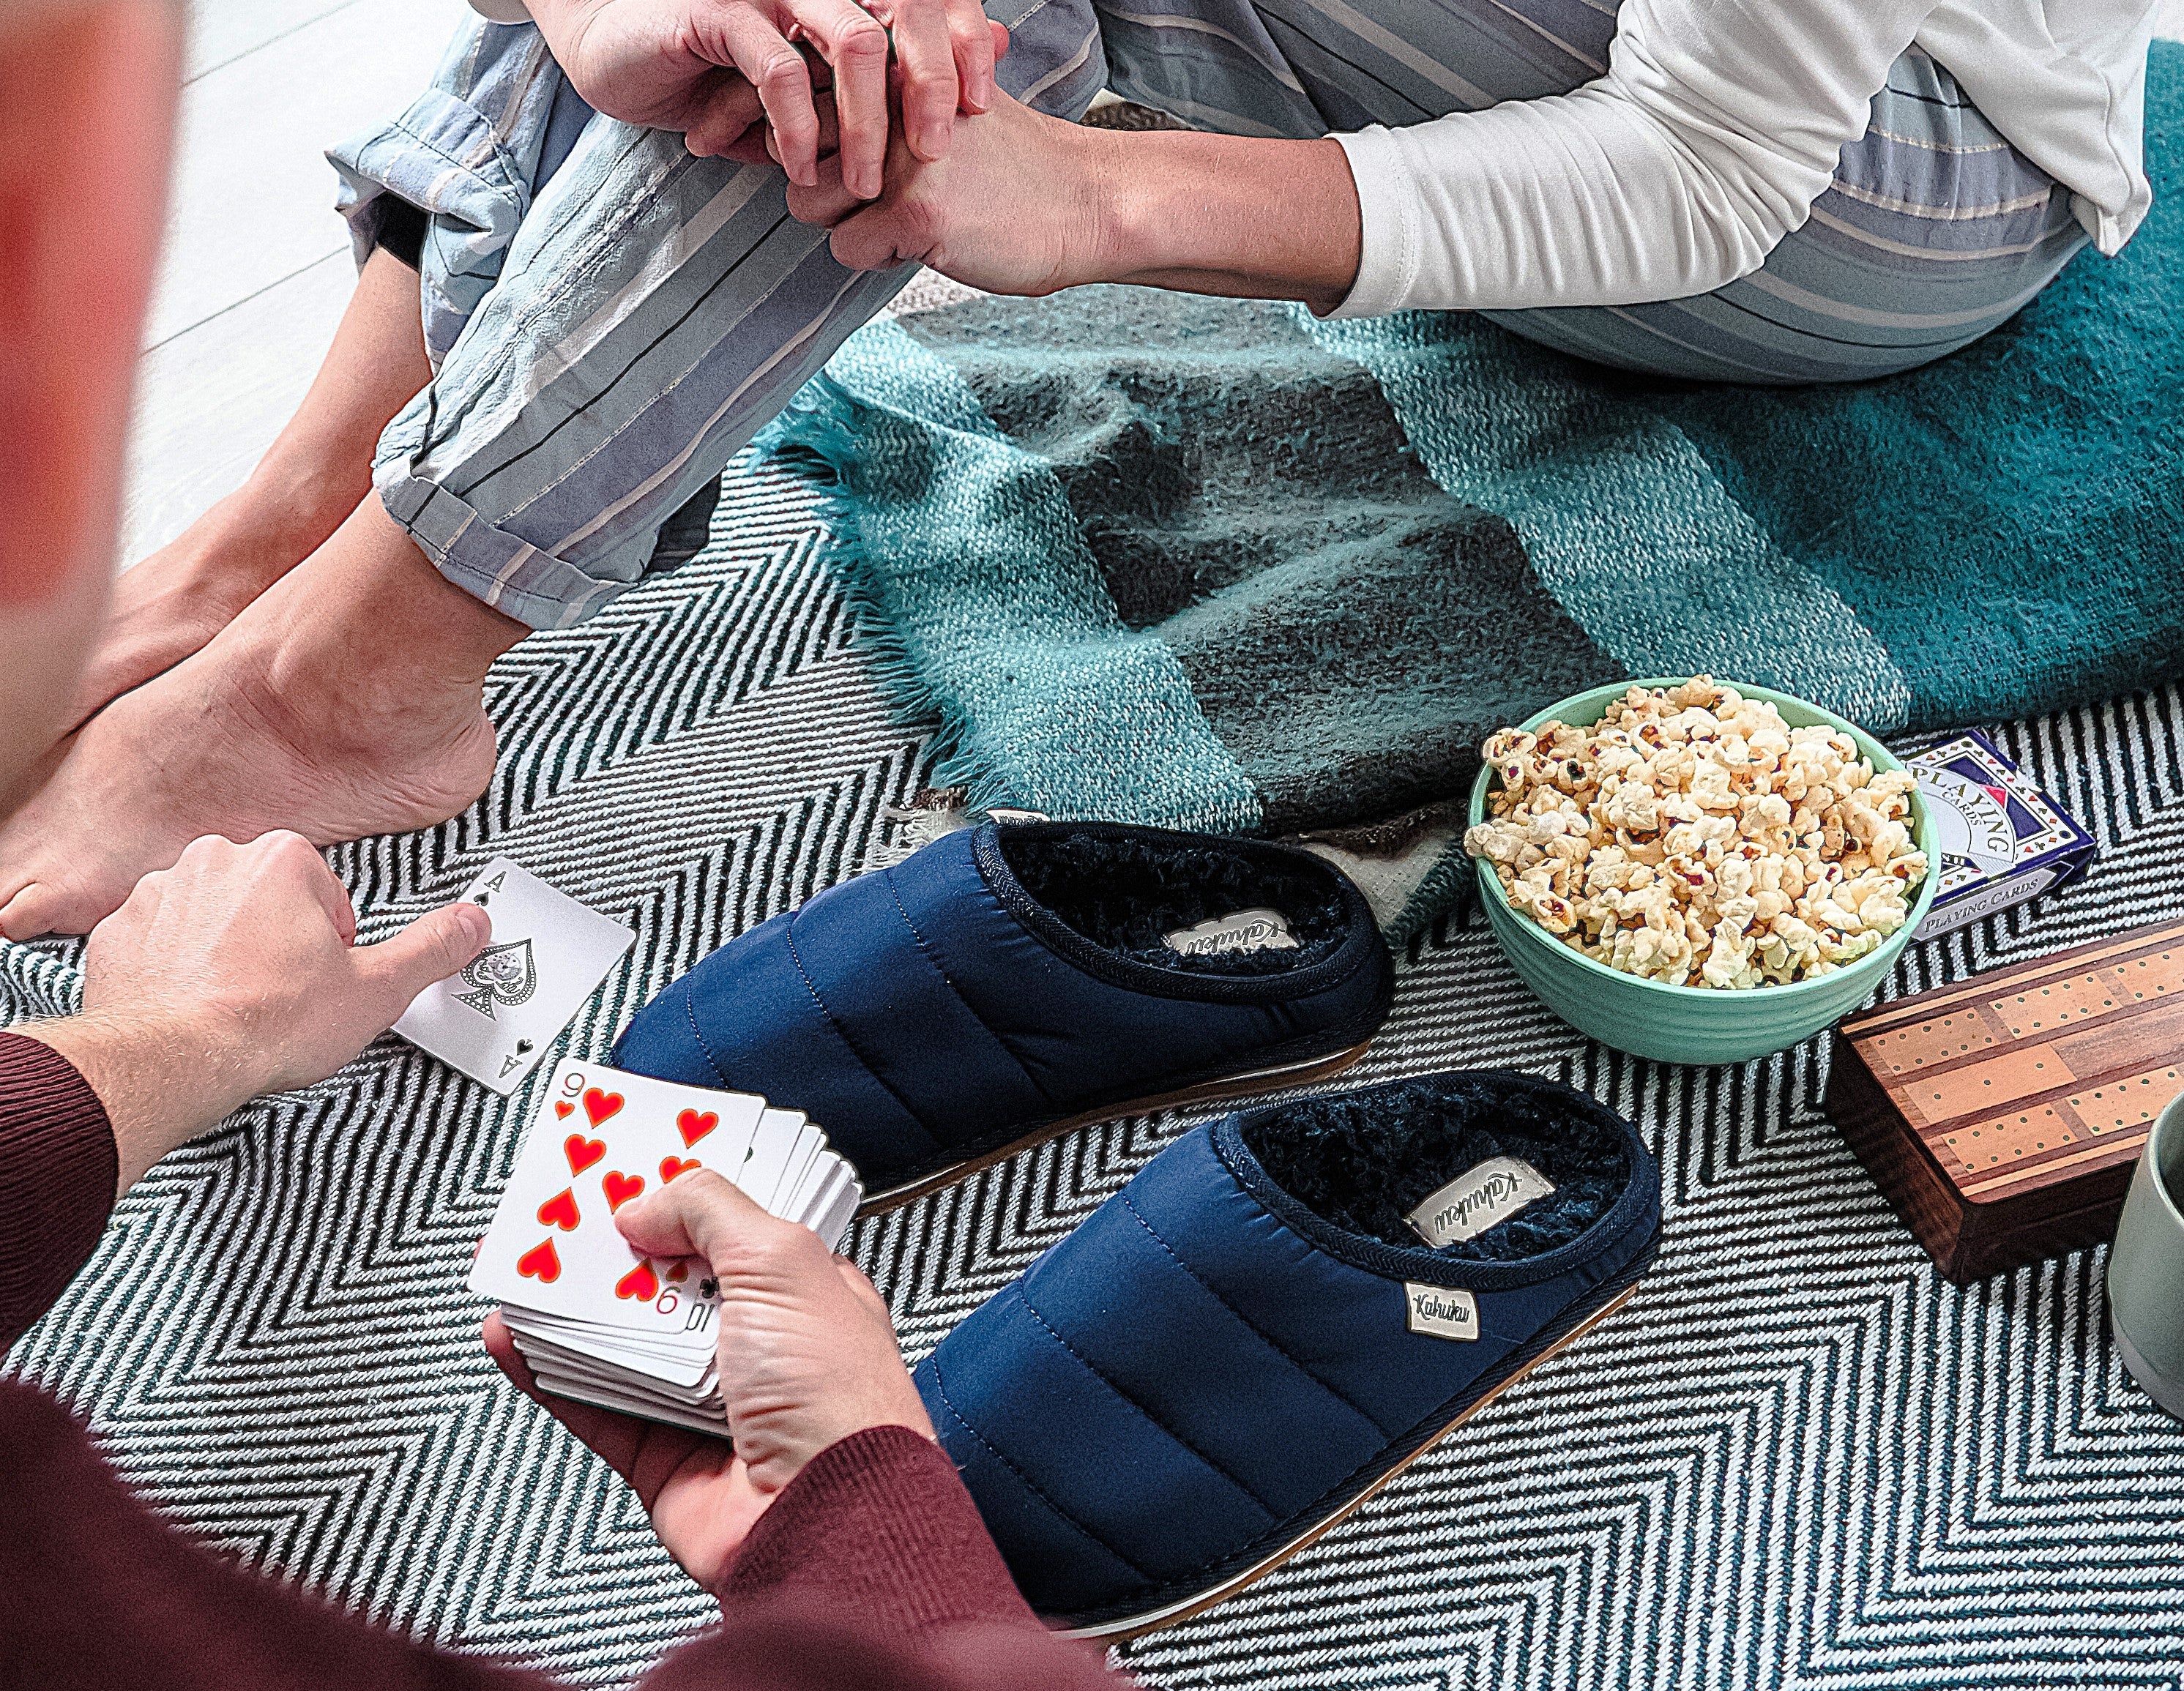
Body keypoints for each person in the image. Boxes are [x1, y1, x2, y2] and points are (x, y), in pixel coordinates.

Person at [0, 1, 2103, 1691]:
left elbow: (1720, 160)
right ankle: (342, 625)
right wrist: (890, 1577)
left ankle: (323, 580)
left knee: (862, 33)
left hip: (1870, 178)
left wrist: (147, 1057)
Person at [0, 0, 2155, 938]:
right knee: (840, 13)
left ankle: (349, 680)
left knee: (944, 14)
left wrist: (1108, 209)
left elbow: (1716, 169)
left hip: (1877, 180)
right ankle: (298, 531)